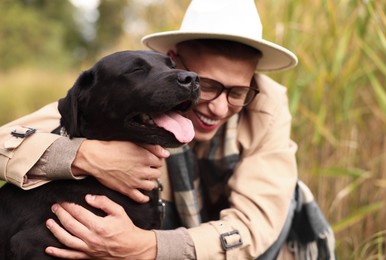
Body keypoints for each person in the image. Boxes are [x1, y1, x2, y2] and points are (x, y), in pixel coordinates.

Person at [0, 0, 335, 259]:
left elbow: (254, 226)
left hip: (195, 240)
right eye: (206, 84)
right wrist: (85, 155)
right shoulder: (134, 90)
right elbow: (5, 143)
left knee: (290, 192)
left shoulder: (268, 108)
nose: (218, 108)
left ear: (253, 80)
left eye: (236, 92)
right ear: (176, 63)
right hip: (163, 215)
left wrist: (147, 247)